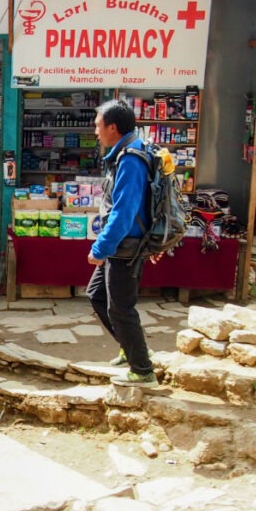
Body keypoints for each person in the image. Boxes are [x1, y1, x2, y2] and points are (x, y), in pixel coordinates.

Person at [87, 99, 158, 388]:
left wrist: (100, 248)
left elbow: (123, 212)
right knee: (96, 294)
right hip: (122, 244)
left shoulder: (130, 159)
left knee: (121, 308)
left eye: (97, 126)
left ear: (112, 128)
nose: (96, 132)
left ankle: (142, 370)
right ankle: (129, 347)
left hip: (125, 247)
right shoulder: (127, 152)